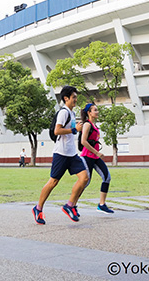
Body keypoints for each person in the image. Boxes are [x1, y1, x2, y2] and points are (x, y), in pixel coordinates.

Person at [33, 86, 88, 225]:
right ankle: (38, 208)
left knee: (84, 178)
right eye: (73, 97)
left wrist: (76, 129)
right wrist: (74, 129)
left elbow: (70, 131)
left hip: (72, 152)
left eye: (76, 97)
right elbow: (57, 131)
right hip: (61, 153)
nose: (76, 99)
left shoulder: (72, 112)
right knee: (53, 182)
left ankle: (70, 205)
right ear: (66, 98)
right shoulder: (63, 112)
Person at [80, 103, 114, 214]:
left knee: (106, 177)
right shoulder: (87, 125)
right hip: (87, 157)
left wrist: (96, 154)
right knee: (85, 182)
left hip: (95, 157)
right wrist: (96, 152)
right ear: (89, 113)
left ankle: (102, 204)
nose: (97, 112)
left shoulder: (94, 126)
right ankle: (71, 204)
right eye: (95, 110)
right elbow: (83, 141)